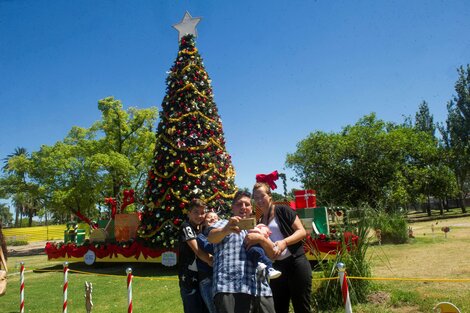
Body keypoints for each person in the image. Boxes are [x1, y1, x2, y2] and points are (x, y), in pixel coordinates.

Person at [207, 190, 276, 313]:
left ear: (251, 208)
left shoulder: (259, 228)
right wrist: (225, 230)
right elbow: (211, 237)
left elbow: (273, 255)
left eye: (247, 204)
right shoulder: (222, 224)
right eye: (239, 204)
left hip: (260, 288)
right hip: (229, 287)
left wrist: (261, 239)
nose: (243, 207)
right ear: (232, 207)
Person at [252, 182, 312, 313]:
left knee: (301, 306)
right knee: (279, 307)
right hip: (277, 268)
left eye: (262, 196)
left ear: (269, 196)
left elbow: (301, 232)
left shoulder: (283, 210)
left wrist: (284, 242)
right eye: (256, 197)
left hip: (296, 263)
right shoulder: (261, 220)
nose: (259, 200)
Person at [178, 199, 212, 313]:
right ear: (189, 213)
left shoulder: (200, 228)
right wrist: (212, 262)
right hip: (189, 280)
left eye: (202, 212)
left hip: (201, 279)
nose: (199, 215)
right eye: (196, 212)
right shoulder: (186, 227)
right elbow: (198, 251)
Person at [196, 212, 219, 313]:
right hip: (207, 278)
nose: (213, 219)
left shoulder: (223, 235)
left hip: (220, 278)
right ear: (204, 221)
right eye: (209, 217)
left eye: (215, 217)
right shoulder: (200, 236)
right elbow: (209, 247)